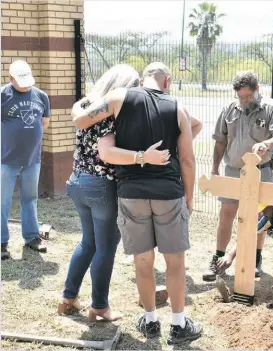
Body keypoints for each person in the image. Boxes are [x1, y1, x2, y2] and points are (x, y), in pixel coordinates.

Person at [72, 62, 202, 345]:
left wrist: (77, 106)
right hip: (169, 193)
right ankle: (179, 325)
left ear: (142, 80)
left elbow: (82, 119)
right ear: (167, 81)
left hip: (130, 193)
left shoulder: (119, 98)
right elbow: (189, 159)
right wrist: (189, 197)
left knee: (143, 261)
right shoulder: (178, 108)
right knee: (175, 262)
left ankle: (151, 321)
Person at [59, 64, 172, 322]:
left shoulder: (88, 107)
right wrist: (143, 156)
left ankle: (68, 297)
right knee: (106, 246)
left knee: (88, 243)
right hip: (101, 186)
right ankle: (99, 306)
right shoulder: (111, 116)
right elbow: (107, 153)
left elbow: (77, 112)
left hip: (78, 182)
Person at [203, 70, 273, 281]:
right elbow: (220, 141)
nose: (243, 100)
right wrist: (214, 168)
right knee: (226, 214)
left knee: (259, 217)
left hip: (261, 171)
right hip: (233, 171)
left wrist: (267, 143)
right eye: (240, 97)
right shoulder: (229, 110)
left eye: (248, 96)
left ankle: (255, 259)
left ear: (257, 89)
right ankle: (218, 258)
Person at [1, 60, 51, 260]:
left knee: (30, 199)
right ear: (11, 78)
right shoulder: (2, 95)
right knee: (2, 202)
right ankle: (2, 242)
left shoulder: (41, 96)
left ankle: (31, 238)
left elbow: (44, 122)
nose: (25, 85)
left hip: (32, 159)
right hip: (5, 159)